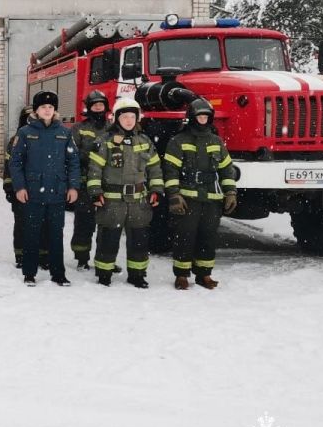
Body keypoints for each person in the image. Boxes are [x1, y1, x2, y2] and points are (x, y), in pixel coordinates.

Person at [86, 98, 164, 288]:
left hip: (139, 202)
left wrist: (156, 190)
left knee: (139, 240)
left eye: (132, 117)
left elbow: (155, 169)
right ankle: (104, 274)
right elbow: (94, 169)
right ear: (116, 119)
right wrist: (95, 192)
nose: (128, 120)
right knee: (108, 238)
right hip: (112, 201)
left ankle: (137, 275)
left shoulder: (144, 141)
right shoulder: (105, 141)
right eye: (124, 117)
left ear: (137, 118)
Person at [162, 98, 238, 289]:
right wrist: (174, 195)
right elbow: (170, 170)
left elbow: (226, 169)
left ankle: (204, 274)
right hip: (188, 198)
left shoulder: (216, 141)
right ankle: (181, 275)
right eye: (199, 116)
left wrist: (230, 192)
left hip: (212, 198)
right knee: (185, 236)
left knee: (208, 236)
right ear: (192, 117)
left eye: (206, 116)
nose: (203, 119)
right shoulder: (178, 141)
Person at [8, 90, 80, 286]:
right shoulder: (25, 133)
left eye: (50, 107)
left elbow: (73, 162)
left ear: (54, 110)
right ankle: (29, 273)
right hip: (33, 193)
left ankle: (58, 274)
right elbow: (15, 163)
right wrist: (19, 187)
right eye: (43, 107)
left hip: (57, 192)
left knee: (56, 235)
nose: (47, 110)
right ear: (36, 110)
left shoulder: (64, 133)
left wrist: (73, 187)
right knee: (31, 234)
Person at [69, 90, 111, 270]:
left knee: (108, 224)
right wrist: (91, 153)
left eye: (101, 105)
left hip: (108, 184)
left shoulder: (113, 127)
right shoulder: (79, 128)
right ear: (89, 108)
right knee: (84, 222)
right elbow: (71, 154)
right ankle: (82, 257)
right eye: (95, 105)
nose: (98, 108)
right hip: (84, 183)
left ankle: (105, 258)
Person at [3, 105, 48, 269]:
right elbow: (9, 167)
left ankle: (43, 255)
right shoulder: (15, 140)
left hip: (43, 190)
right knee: (22, 224)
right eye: (27, 118)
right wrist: (10, 188)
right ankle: (21, 255)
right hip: (21, 190)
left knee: (44, 224)